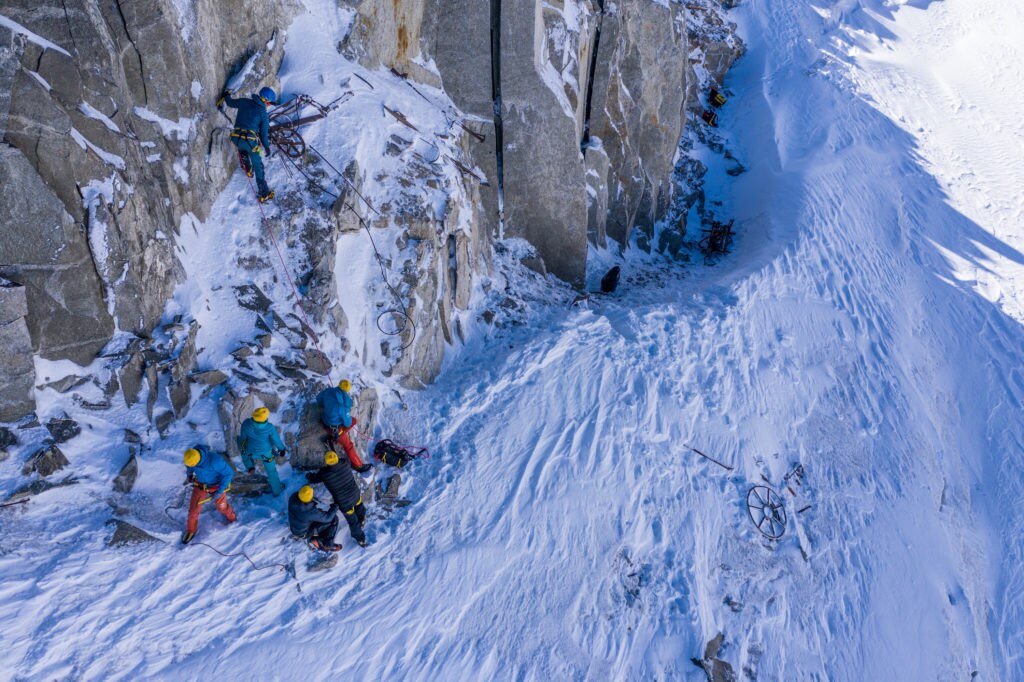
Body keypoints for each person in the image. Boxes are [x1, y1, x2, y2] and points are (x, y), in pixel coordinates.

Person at [222, 86, 277, 202]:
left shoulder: (244, 102)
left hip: (236, 137)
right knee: (258, 165)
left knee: (242, 149)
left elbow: (230, 103)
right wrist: (266, 147)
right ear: (265, 100)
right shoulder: (263, 114)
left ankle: (247, 168)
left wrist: (226, 95)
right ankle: (264, 193)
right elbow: (263, 134)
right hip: (249, 140)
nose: (269, 105)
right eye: (269, 103)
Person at [306, 450, 367, 547]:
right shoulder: (345, 463)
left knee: (352, 521)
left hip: (344, 503)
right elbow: (342, 461)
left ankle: (360, 538)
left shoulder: (325, 473)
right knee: (359, 506)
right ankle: (362, 517)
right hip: (355, 494)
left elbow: (315, 479)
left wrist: (309, 476)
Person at [181, 445, 236, 544]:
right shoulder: (190, 455)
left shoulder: (215, 461)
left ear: (198, 460)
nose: (192, 467)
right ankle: (191, 530)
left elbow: (228, 473)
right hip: (200, 485)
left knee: (221, 508)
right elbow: (189, 466)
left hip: (216, 487)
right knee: (193, 511)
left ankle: (232, 518)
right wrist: (189, 473)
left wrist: (219, 492)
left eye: (193, 465)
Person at [315, 379, 371, 472]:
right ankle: (359, 466)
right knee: (349, 445)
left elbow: (318, 400)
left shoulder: (328, 391)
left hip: (325, 420)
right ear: (347, 390)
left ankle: (334, 436)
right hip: (335, 428)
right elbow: (347, 423)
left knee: (352, 421)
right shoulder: (343, 406)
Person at [237, 406, 286, 495]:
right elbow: (276, 440)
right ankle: (277, 490)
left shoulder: (246, 423)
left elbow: (243, 439)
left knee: (242, 448)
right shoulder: (269, 427)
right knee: (271, 471)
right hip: (266, 454)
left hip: (250, 452)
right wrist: (282, 449)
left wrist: (243, 449)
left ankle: (250, 467)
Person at [287, 485, 341, 552]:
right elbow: (328, 518)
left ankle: (316, 538)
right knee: (333, 519)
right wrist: (335, 507)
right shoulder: (309, 512)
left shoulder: (293, 497)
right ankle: (327, 543)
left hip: (296, 527)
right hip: (304, 533)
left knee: (318, 522)